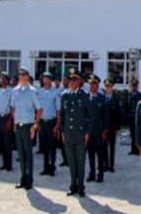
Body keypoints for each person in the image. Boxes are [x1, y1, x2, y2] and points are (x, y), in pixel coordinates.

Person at [60, 68, 90, 197]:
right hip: (68, 134)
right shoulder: (65, 95)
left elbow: (89, 116)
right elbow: (62, 115)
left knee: (80, 161)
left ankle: (81, 186)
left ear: (79, 81)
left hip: (80, 134)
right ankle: (73, 185)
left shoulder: (84, 96)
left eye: (74, 79)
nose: (72, 82)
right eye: (70, 79)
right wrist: (62, 131)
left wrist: (87, 132)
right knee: (71, 162)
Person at [11, 66, 42, 189]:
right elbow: (13, 107)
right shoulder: (15, 90)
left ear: (27, 77)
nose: (20, 77)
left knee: (28, 154)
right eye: (19, 74)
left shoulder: (32, 91)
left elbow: (39, 109)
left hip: (29, 126)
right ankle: (23, 178)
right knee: (21, 154)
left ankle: (30, 179)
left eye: (22, 74)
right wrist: (15, 121)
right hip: (18, 126)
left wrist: (35, 125)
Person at [86, 74, 108, 183]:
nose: (91, 85)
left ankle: (100, 174)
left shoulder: (101, 98)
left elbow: (105, 116)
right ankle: (92, 173)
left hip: (99, 132)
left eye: (93, 84)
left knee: (100, 154)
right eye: (90, 83)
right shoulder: (86, 97)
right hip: (89, 132)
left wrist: (105, 130)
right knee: (90, 154)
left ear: (97, 85)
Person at [38, 71, 61, 177]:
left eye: (47, 79)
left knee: (52, 146)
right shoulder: (40, 92)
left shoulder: (55, 92)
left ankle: (52, 167)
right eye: (44, 79)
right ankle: (45, 167)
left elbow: (58, 110)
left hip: (52, 122)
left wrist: (57, 124)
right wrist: (37, 121)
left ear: (51, 81)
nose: (45, 80)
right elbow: (38, 108)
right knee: (45, 147)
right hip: (42, 121)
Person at [0, 71, 13, 171]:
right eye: (1, 78)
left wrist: (10, 121)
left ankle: (9, 164)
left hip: (7, 117)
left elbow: (12, 107)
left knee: (7, 143)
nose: (1, 80)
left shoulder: (11, 91)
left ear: (7, 80)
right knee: (2, 142)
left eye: (3, 78)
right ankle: (4, 163)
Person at [103, 78, 121, 172]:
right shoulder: (102, 98)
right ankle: (105, 164)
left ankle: (111, 165)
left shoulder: (115, 99)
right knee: (104, 147)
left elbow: (118, 114)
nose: (108, 88)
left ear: (112, 87)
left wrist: (118, 128)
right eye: (106, 86)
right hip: (104, 128)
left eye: (109, 86)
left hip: (112, 127)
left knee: (112, 147)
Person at [127, 79, 141, 156]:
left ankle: (138, 150)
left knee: (137, 134)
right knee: (132, 134)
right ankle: (132, 149)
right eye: (133, 85)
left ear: (137, 86)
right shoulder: (129, 95)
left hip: (137, 117)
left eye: (135, 85)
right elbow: (127, 106)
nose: (134, 87)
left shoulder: (140, 95)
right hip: (131, 118)